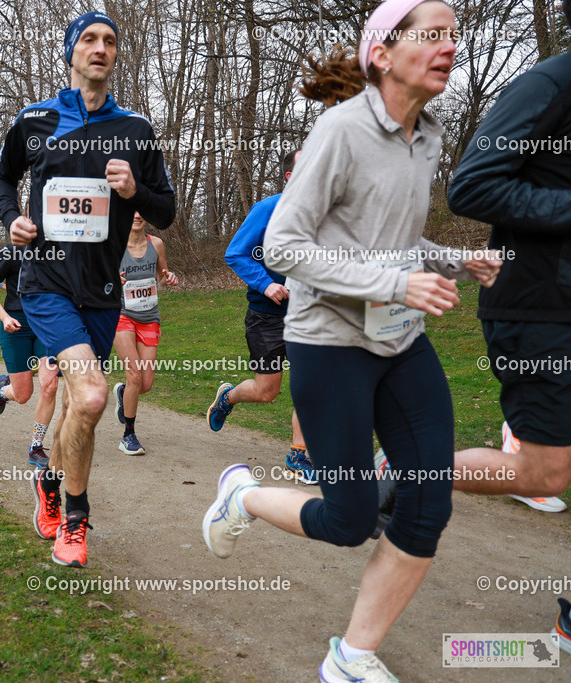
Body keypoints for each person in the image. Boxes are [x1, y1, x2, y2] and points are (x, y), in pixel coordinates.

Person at [200, 4, 502, 680]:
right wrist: (396, 284)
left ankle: (351, 656)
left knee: (428, 498)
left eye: (455, 35)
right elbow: (283, 245)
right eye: (433, 35)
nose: (449, 46)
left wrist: (457, 259)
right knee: (349, 517)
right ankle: (242, 495)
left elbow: (387, 242)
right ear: (384, 55)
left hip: (399, 344)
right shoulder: (339, 132)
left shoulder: (425, 136)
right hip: (329, 344)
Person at [0, 10, 175, 567]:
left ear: (117, 56)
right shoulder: (36, 119)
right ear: (71, 52)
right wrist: (10, 220)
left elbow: (164, 211)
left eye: (110, 41)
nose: (100, 47)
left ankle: (50, 482)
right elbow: (3, 176)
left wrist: (134, 189)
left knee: (82, 404)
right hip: (45, 283)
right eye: (89, 40)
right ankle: (76, 517)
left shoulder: (137, 130)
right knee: (95, 393)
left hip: (102, 290)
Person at [446, 4, 571, 512]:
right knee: (545, 471)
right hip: (542, 310)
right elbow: (471, 186)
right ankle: (405, 468)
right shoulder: (549, 85)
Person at [208, 148, 315, 484]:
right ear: (289, 177)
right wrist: (267, 284)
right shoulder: (267, 209)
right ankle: (228, 396)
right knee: (267, 390)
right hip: (267, 314)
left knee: (310, 384)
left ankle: (299, 454)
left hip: (310, 313)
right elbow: (236, 253)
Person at [0, 244, 60, 468]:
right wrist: (4, 317)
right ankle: (2, 391)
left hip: (46, 324)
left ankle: (36, 447)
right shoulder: (12, 251)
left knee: (50, 384)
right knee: (23, 394)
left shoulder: (60, 249)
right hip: (15, 326)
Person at [111, 212, 179, 455]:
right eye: (132, 211)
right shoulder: (113, 243)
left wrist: (168, 278)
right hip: (121, 315)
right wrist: (110, 280)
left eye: (141, 211)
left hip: (149, 316)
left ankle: (123, 392)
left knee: (145, 384)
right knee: (135, 375)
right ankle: (128, 435)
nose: (137, 216)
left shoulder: (156, 244)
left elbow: (161, 276)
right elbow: (98, 280)